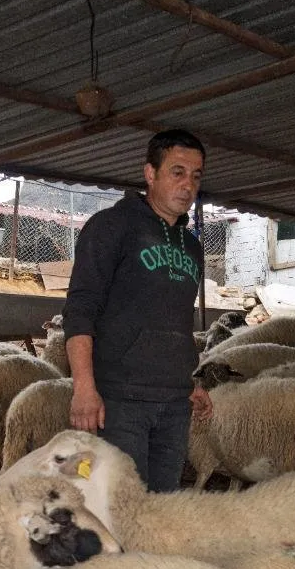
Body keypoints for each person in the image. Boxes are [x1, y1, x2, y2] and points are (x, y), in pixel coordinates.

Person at [62, 129, 213, 492]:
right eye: (177, 172)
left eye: (196, 176)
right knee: (117, 504)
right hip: (119, 402)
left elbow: (171, 318)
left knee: (160, 508)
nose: (187, 185)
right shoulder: (112, 227)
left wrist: (186, 379)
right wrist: (84, 387)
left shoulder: (191, 247)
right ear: (150, 173)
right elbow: (80, 308)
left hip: (174, 404)